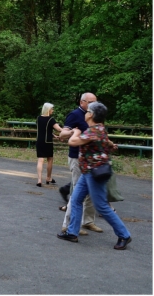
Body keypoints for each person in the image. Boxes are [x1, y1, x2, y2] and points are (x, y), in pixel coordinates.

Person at [57, 102, 131, 250]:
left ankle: (124, 234)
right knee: (77, 200)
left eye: (88, 111)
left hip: (95, 173)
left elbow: (73, 142)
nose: (85, 113)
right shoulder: (99, 129)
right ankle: (72, 232)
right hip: (88, 171)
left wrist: (75, 133)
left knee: (101, 206)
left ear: (91, 114)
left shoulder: (93, 131)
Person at [59, 93, 103, 235]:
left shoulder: (94, 115)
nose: (93, 105)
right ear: (82, 102)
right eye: (90, 102)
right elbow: (63, 134)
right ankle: (68, 225)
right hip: (77, 158)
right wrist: (74, 131)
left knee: (91, 192)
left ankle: (88, 221)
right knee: (77, 192)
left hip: (92, 159)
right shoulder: (75, 115)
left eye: (95, 102)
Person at [36, 103, 63, 186]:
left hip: (39, 141)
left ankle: (39, 180)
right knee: (50, 159)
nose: (53, 110)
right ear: (48, 109)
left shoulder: (38, 118)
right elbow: (58, 129)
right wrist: (66, 131)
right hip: (47, 142)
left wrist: (54, 135)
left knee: (40, 160)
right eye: (52, 109)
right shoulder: (51, 119)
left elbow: (44, 130)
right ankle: (48, 178)